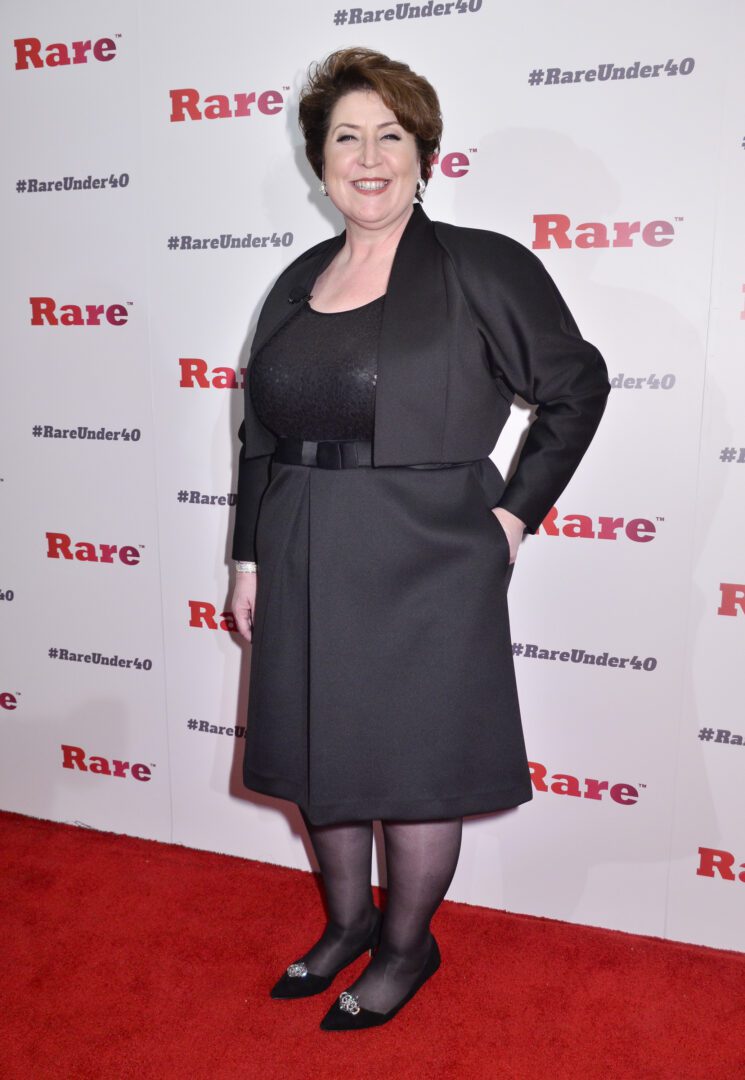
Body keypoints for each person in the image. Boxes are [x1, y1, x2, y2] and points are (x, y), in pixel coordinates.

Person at [230, 46, 610, 1030]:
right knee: (321, 752)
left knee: (413, 767)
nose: (368, 159)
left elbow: (575, 386)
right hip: (303, 544)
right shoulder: (298, 280)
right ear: (318, 160)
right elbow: (260, 434)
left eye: (389, 136)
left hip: (424, 553)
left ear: (422, 154)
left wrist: (515, 511)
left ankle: (407, 947)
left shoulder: (480, 265)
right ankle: (349, 923)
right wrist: (248, 555)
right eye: (345, 138)